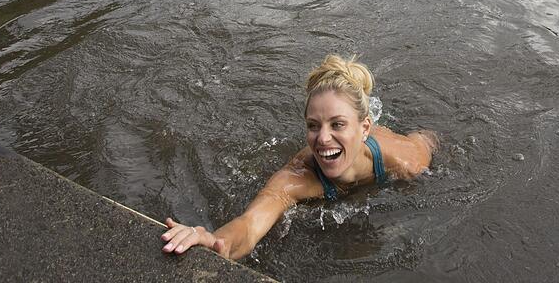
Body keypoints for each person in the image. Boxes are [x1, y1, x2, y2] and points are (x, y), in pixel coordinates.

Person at [161, 55, 438, 260]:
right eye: (314, 126)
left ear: (365, 128)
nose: (323, 138)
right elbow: (250, 225)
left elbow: (430, 140)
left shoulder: (405, 160)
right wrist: (213, 240)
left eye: (337, 124)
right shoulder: (296, 178)